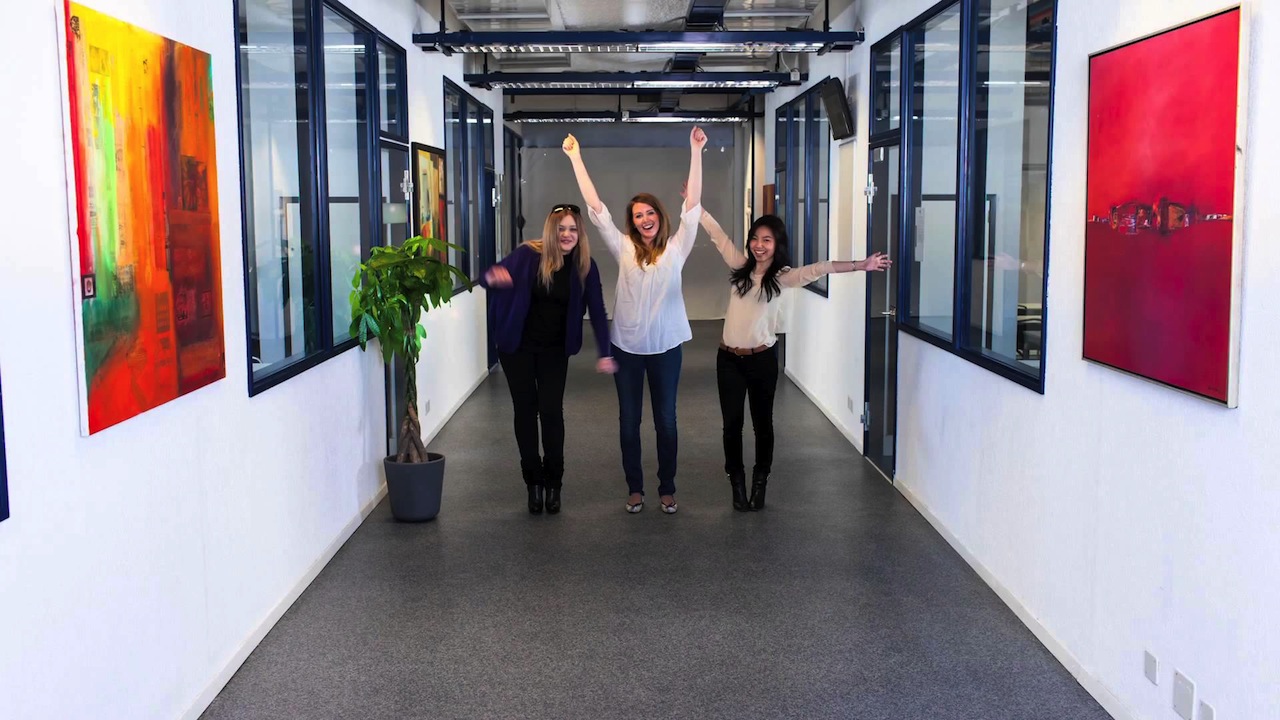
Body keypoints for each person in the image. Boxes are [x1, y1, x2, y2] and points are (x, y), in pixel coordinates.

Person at [699, 209, 891, 511]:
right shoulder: (740, 267)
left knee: (762, 425)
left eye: (767, 240)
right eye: (755, 238)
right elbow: (718, 236)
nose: (759, 245)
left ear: (777, 244)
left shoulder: (782, 277)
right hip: (728, 360)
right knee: (731, 425)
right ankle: (736, 480)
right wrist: (696, 208)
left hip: (762, 360)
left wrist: (861, 265)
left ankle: (760, 480)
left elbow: (819, 268)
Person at [562, 127, 707, 515]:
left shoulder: (677, 249)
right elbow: (595, 207)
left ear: (660, 216)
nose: (644, 219)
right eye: (638, 215)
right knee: (629, 422)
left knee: (667, 422)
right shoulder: (623, 247)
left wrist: (695, 151)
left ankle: (667, 487)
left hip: (666, 349)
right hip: (626, 348)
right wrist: (576, 157)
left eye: (649, 213)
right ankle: (635, 489)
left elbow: (693, 205)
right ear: (632, 222)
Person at [479, 204, 617, 515]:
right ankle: (533, 482)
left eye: (573, 229)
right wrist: (493, 276)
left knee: (551, 411)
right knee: (525, 411)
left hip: (554, 350)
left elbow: (597, 309)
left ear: (580, 232)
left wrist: (605, 352)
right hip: (517, 348)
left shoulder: (585, 265)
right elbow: (486, 277)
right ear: (551, 231)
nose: (567, 234)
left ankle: (554, 483)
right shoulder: (528, 254)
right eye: (561, 229)